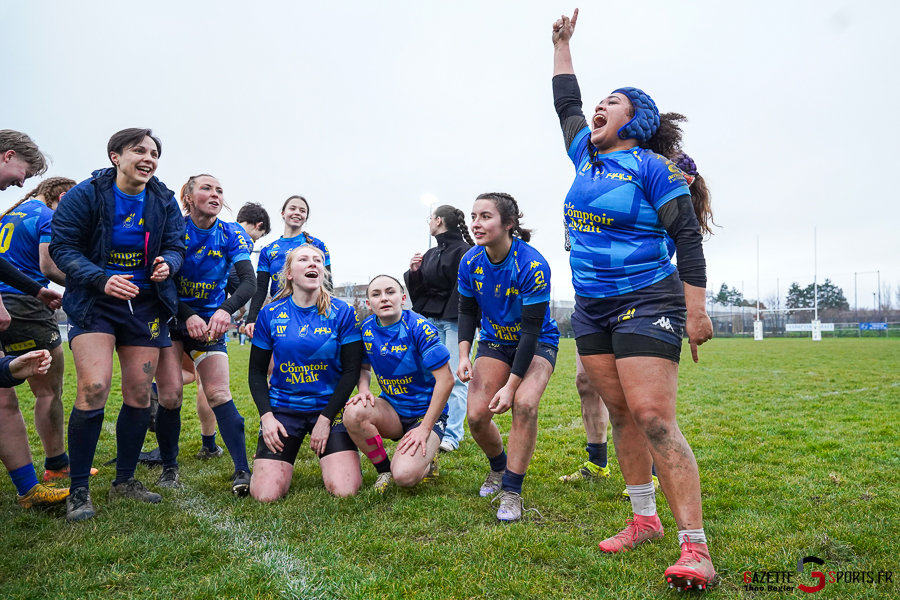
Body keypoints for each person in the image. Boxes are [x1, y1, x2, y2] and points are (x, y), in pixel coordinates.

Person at [552, 10, 716, 590]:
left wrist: (696, 310)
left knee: (653, 417)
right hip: (591, 306)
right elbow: (565, 103)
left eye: (611, 102)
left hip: (649, 300)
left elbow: (686, 239)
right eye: (598, 102)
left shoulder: (653, 168)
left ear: (636, 119)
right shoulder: (584, 156)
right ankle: (643, 518)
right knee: (619, 412)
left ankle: (694, 547)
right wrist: (562, 45)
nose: (597, 108)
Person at [50, 128, 186, 522]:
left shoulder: (162, 199)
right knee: (93, 387)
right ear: (115, 156)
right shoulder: (86, 194)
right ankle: (78, 489)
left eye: (155, 153)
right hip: (96, 302)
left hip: (145, 306)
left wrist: (168, 264)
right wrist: (100, 278)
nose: (149, 158)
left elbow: (177, 245)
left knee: (140, 393)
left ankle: (124, 480)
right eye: (139, 150)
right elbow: (63, 247)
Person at [456, 193, 560, 522]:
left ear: (508, 224)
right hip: (495, 343)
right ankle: (498, 468)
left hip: (537, 342)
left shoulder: (532, 264)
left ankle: (512, 491)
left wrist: (512, 386)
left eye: (485, 216)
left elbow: (530, 332)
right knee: (475, 416)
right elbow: (466, 311)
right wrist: (463, 355)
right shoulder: (470, 261)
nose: (476, 223)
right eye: (474, 216)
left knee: (525, 404)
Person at [153, 175, 257, 494]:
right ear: (188, 196)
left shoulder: (231, 232)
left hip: (210, 323)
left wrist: (225, 310)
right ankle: (169, 468)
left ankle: (242, 470)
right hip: (172, 320)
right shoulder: (174, 230)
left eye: (220, 190)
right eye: (206, 188)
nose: (215, 194)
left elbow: (249, 282)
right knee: (170, 396)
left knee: (218, 393)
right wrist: (188, 314)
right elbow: (161, 281)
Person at [0, 178, 101, 483]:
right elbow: (48, 266)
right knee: (47, 390)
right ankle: (57, 464)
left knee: (4, 395)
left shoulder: (11, 213)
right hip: (26, 305)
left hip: (2, 301)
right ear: (64, 196)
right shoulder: (48, 216)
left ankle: (23, 475)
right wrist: (91, 285)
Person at [248, 245, 363, 501]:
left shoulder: (342, 312)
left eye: (318, 260)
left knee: (345, 491)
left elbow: (351, 371)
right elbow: (256, 372)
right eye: (304, 260)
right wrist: (267, 418)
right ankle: (268, 461)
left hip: (329, 409)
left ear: (323, 270)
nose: (313, 264)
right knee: (265, 495)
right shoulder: (270, 313)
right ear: (289, 273)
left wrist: (325, 419)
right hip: (283, 410)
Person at [344, 275, 454, 492]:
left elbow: (447, 380)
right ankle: (384, 470)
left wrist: (425, 428)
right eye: (376, 294)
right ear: (369, 304)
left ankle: (427, 459)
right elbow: (364, 368)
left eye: (390, 292)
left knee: (404, 476)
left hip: (425, 414)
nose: (384, 298)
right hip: (392, 410)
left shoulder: (420, 327)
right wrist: (364, 390)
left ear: (403, 298)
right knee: (353, 412)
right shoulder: (366, 329)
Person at [403, 205, 474, 453]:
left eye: (430, 219)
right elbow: (424, 290)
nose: (429, 223)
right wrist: (414, 272)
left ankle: (452, 435)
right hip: (432, 322)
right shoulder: (431, 253)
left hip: (455, 322)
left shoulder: (466, 251)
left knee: (455, 379)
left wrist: (455, 316)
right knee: (434, 378)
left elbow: (465, 292)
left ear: (440, 221)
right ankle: (433, 427)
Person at [245, 195, 330, 338]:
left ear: (306, 217)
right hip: (279, 314)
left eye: (302, 210)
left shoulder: (317, 245)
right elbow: (260, 288)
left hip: (311, 312)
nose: (297, 212)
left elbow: (327, 284)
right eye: (293, 208)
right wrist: (251, 318)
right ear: (283, 214)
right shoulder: (268, 250)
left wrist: (327, 312)